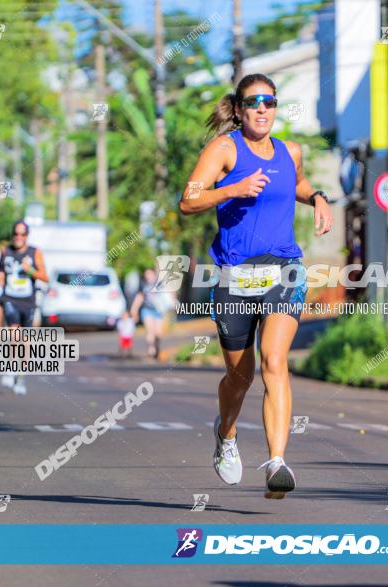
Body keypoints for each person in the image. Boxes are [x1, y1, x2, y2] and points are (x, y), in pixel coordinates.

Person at [179, 73, 333, 498]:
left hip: (284, 268)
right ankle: (225, 436)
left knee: (274, 361)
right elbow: (189, 200)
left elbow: (294, 182)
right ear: (240, 108)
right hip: (233, 274)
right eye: (253, 102)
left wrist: (318, 196)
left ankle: (277, 461)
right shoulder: (225, 149)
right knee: (239, 376)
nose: (262, 109)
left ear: (276, 107)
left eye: (269, 101)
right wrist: (234, 189)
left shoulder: (289, 151)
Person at [0, 220, 48, 395]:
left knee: (25, 341)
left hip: (28, 301)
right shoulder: (5, 251)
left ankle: (21, 376)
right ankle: (11, 367)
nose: (19, 237)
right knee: (13, 333)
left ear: (27, 236)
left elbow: (45, 276)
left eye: (22, 234)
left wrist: (30, 270)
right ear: (13, 235)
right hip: (10, 298)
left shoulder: (35, 252)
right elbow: (1, 270)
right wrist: (0, 278)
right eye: (16, 234)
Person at [128, 268, 174, 360]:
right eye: (146, 275)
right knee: (150, 330)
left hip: (158, 311)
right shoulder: (143, 285)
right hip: (147, 310)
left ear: (154, 275)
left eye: (150, 274)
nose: (148, 277)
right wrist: (134, 309)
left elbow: (169, 294)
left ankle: (156, 346)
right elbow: (139, 297)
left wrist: (172, 304)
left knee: (158, 333)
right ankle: (151, 349)